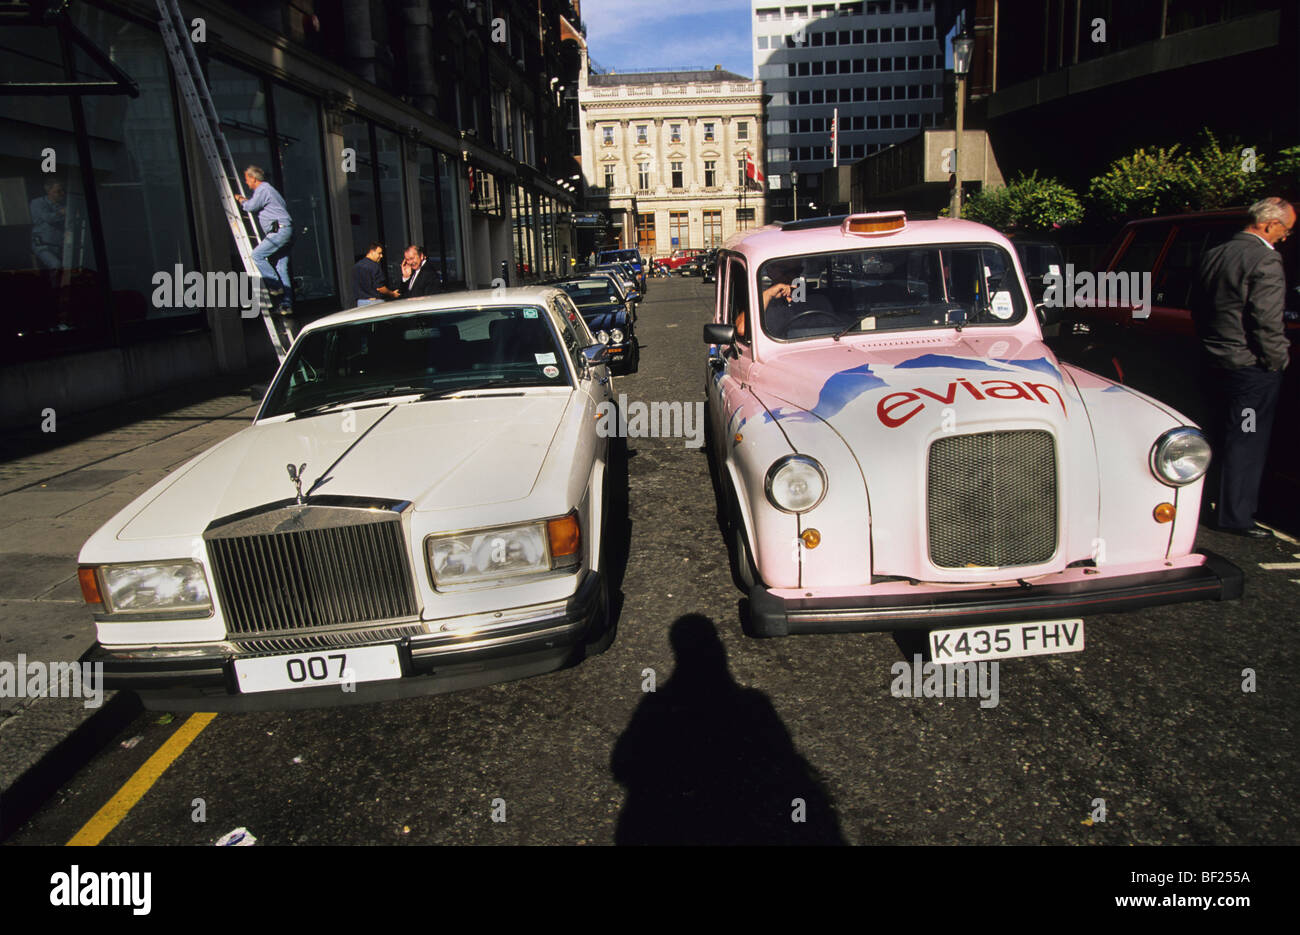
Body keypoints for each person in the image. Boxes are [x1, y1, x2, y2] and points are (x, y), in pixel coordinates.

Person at [1191, 196, 1295, 537]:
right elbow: (1266, 321)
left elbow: (1200, 307)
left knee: (1218, 433)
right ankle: (1235, 516)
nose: (1286, 236)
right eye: (1286, 229)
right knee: (1247, 438)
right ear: (1268, 224)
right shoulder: (1265, 259)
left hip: (1213, 360)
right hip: (1250, 371)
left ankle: (1204, 503)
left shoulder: (1216, 253)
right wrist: (1277, 360)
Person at [234, 165, 294, 315]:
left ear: (253, 179)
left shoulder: (263, 189)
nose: (246, 183)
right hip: (286, 230)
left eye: (247, 180)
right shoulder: (270, 190)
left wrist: (240, 199)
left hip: (279, 231)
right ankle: (287, 304)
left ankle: (275, 286)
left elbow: (250, 207)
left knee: (257, 255)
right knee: (281, 268)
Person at [30, 179, 66, 270]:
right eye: (58, 191)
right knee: (56, 265)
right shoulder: (37, 203)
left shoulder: (63, 205)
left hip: (60, 246)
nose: (62, 193)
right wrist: (62, 213)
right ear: (48, 191)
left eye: (63, 190)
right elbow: (48, 218)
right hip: (44, 246)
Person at [353, 242, 400, 307]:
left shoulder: (357, 266)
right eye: (379, 253)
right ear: (372, 251)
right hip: (375, 302)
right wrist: (392, 294)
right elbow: (380, 288)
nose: (381, 256)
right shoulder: (374, 266)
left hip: (360, 303)